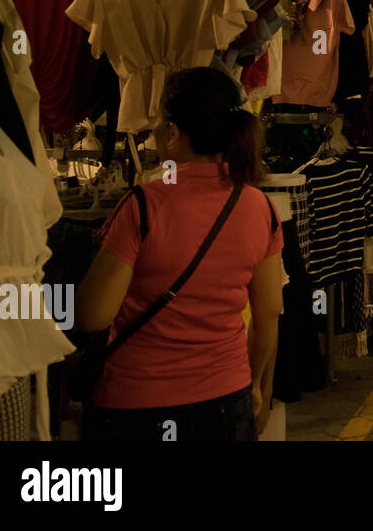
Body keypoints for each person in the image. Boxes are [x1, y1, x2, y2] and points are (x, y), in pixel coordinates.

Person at [75, 67, 284, 441]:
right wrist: (259, 390)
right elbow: (267, 318)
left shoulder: (143, 205)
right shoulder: (258, 206)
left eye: (158, 118)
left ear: (172, 133)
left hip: (137, 403)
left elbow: (92, 316)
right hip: (227, 399)